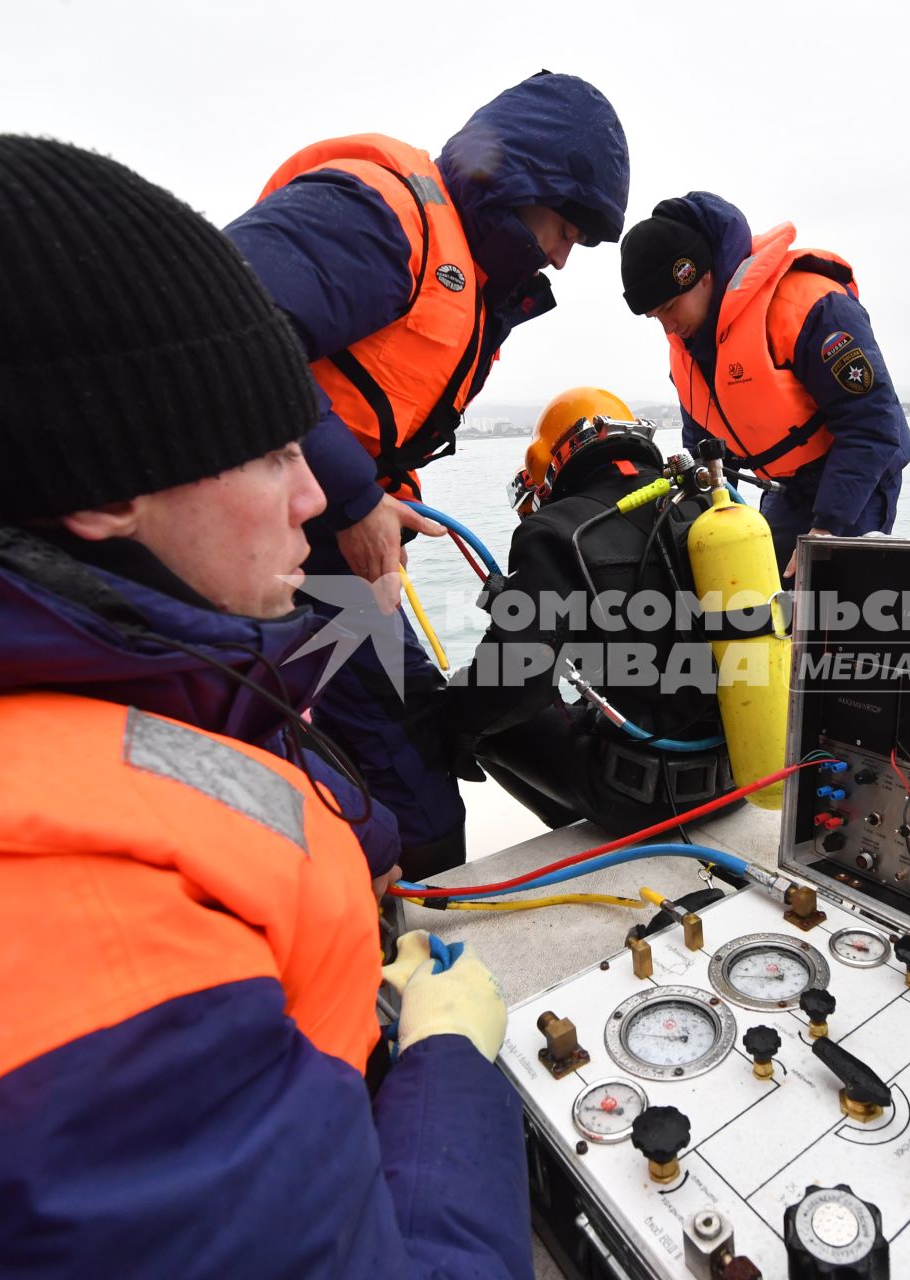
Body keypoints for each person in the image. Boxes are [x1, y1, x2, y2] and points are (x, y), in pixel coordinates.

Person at [0, 134, 523, 1280]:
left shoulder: (63, 645)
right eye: (274, 449)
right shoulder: (73, 967)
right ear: (103, 489)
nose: (318, 495)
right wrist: (448, 1076)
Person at [224, 72, 631, 878]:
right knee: (381, 788)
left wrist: (388, 501)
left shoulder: (481, 292)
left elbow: (370, 415)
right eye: (566, 227)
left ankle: (397, 937)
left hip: (327, 562)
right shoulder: (379, 214)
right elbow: (222, 321)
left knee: (412, 752)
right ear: (526, 183)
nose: (561, 254)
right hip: (241, 549)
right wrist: (353, 495)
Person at [442, 389, 734, 834]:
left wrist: (446, 726)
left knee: (477, 706)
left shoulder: (553, 530)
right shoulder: (708, 505)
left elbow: (512, 684)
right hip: (739, 781)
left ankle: (572, 823)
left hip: (638, 800)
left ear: (550, 464)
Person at [619, 192, 910, 577]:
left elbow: (873, 426)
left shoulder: (810, 307)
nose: (668, 327)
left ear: (701, 275)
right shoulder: (688, 347)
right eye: (655, 317)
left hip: (855, 478)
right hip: (786, 487)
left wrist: (825, 529)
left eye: (670, 308)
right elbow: (703, 447)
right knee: (759, 590)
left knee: (828, 603)